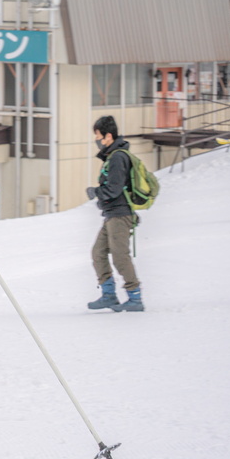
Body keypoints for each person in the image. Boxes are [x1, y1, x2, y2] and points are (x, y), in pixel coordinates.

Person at [85, 116, 143, 312]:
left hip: (120, 214)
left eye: (98, 136)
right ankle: (109, 294)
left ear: (108, 136)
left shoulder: (118, 157)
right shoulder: (112, 156)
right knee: (98, 253)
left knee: (120, 257)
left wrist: (95, 192)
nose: (97, 140)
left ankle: (135, 297)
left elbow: (114, 188)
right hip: (111, 214)